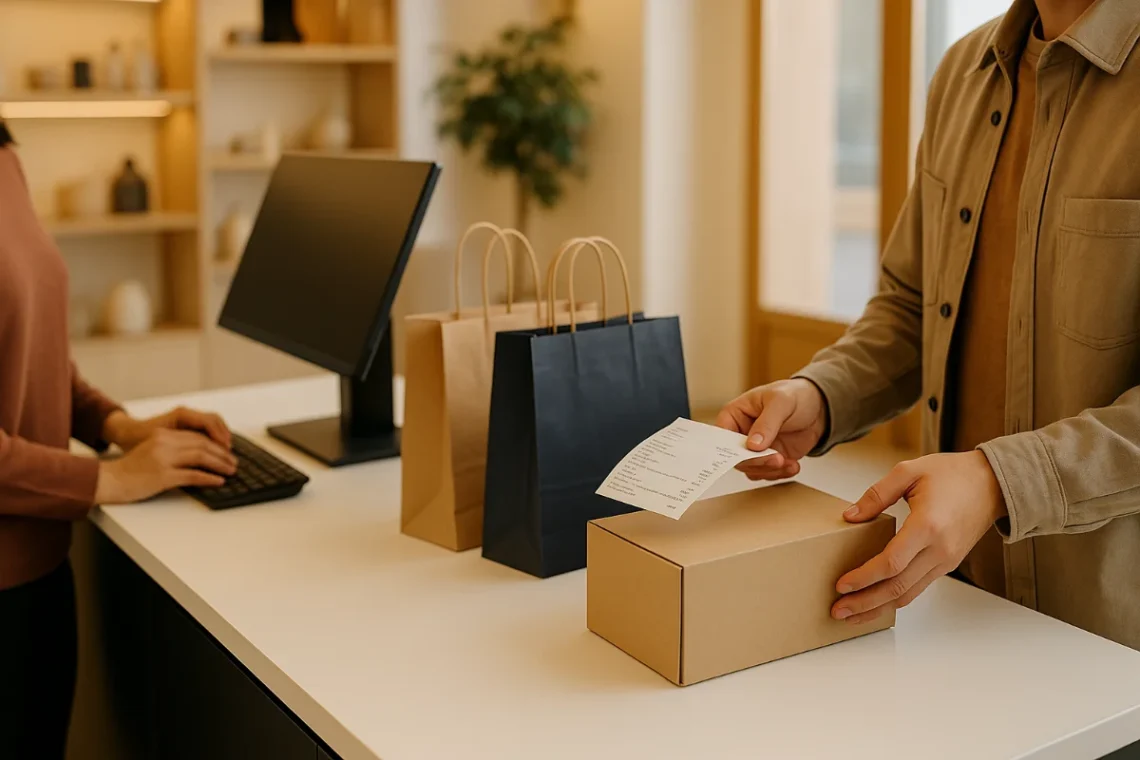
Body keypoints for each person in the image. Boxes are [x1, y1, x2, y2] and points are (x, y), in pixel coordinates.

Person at [718, 0, 1140, 647]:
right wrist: (822, 394)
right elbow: (913, 305)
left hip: (1110, 642)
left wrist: (999, 480)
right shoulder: (963, 73)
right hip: (956, 604)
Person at [0, 122, 238, 758]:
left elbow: (36, 348)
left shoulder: (5, 160)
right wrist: (112, 478)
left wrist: (120, 427)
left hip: (41, 574)